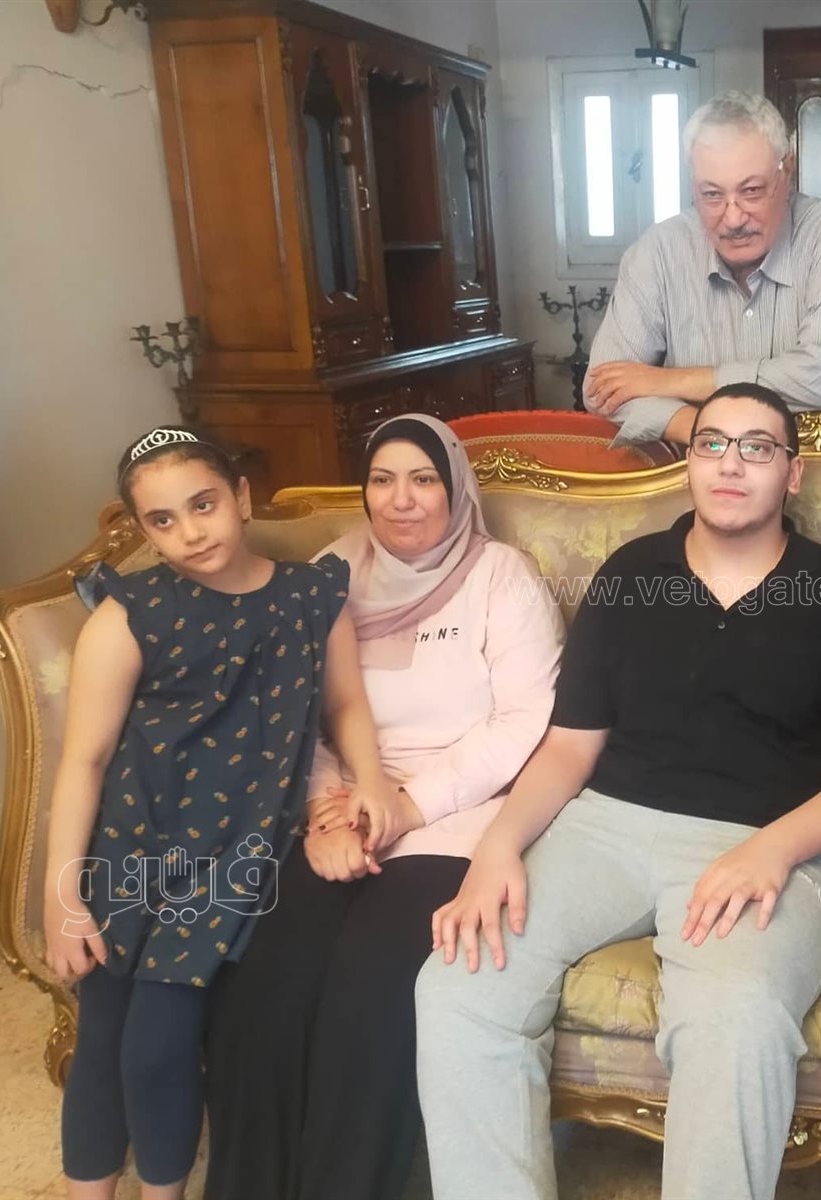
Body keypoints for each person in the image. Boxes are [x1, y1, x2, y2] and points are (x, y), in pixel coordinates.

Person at [415, 383, 821, 1199]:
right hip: (606, 828)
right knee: (457, 985)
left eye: (757, 447)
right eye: (712, 443)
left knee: (733, 1016)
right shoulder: (630, 575)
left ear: (792, 474)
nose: (731, 464)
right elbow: (569, 748)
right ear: (689, 462)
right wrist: (496, 849)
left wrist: (773, 850)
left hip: (774, 839)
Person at [203, 415, 563, 1200]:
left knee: (372, 989)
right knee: (261, 973)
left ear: (455, 487)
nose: (402, 500)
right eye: (383, 480)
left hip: (456, 820)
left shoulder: (501, 577)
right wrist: (326, 810)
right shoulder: (331, 573)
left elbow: (523, 724)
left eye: (424, 479)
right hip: (339, 809)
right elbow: (296, 711)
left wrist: (408, 803)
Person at [45, 427, 386, 1200]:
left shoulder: (312, 598)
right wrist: (61, 895)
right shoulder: (127, 613)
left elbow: (345, 704)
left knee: (155, 1047)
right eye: (163, 520)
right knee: (103, 1039)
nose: (191, 532)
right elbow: (84, 761)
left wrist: (370, 779)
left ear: (240, 497)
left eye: (203, 505)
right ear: (143, 530)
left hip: (235, 858)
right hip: (130, 848)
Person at [583, 91, 821, 446]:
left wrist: (667, 381)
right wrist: (709, 434)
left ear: (788, 171)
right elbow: (600, 390)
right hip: (684, 469)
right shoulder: (657, 251)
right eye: (712, 195)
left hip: (808, 469)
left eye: (751, 191)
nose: (733, 218)